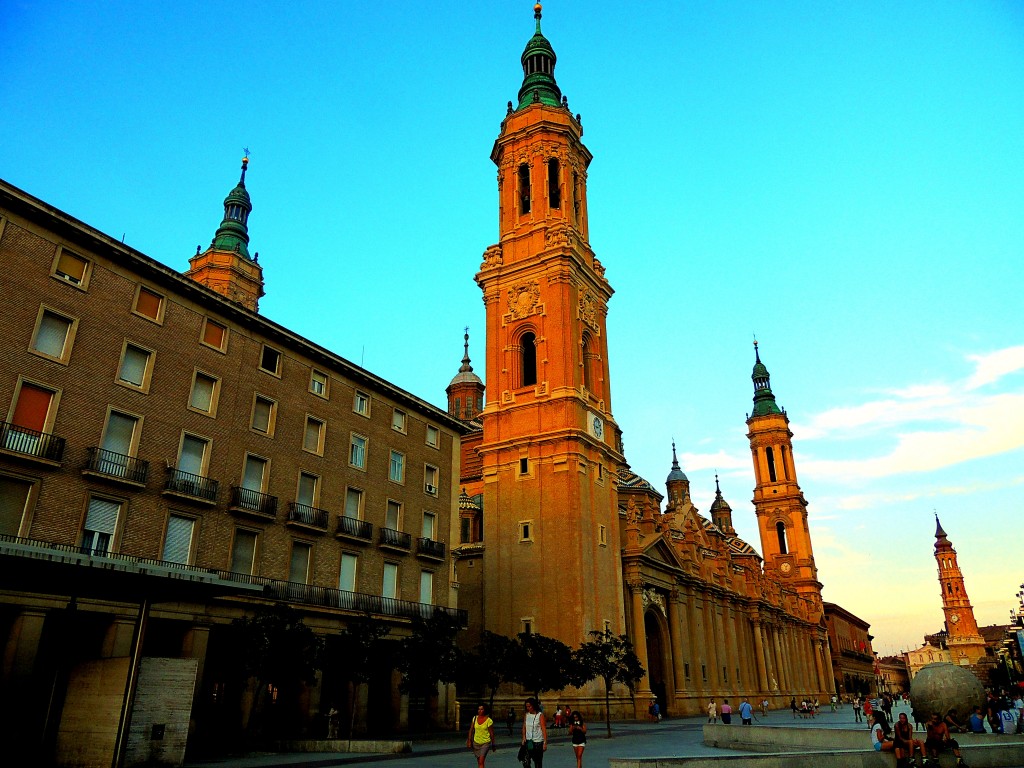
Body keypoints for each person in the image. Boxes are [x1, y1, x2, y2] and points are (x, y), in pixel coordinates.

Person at [467, 703, 497, 768]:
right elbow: (471, 730)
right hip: (476, 743)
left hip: (485, 743)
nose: (480, 711)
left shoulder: (489, 720)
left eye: (482, 709)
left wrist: (493, 744)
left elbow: (491, 733)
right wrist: (469, 740)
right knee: (479, 762)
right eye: (479, 709)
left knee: (481, 761)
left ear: (485, 710)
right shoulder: (474, 718)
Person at [522, 697, 547, 768]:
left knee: (537, 763)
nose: (528, 708)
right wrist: (523, 737)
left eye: (529, 706)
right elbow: (524, 726)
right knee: (525, 761)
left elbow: (543, 729)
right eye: (526, 706)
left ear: (534, 706)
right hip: (528, 741)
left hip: (538, 742)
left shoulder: (540, 715)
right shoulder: (526, 715)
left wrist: (545, 742)